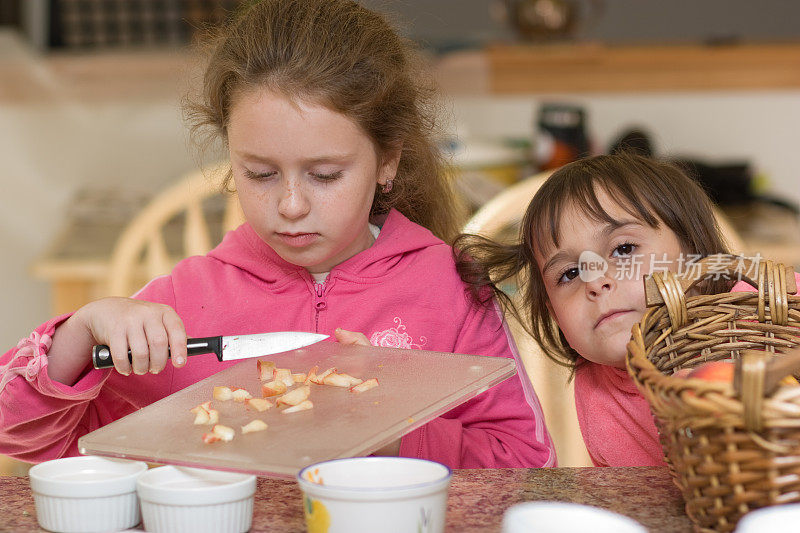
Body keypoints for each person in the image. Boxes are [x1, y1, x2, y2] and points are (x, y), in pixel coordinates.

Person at [0, 0, 554, 469]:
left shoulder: (451, 291)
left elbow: (527, 465)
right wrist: (79, 334)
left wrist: (390, 432)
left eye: (325, 175)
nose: (290, 205)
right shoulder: (185, 302)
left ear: (388, 159)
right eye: (260, 174)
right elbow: (20, 434)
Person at [455, 153, 733, 467]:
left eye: (624, 249)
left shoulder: (765, 316)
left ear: (694, 256)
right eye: (569, 274)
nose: (596, 281)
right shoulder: (597, 389)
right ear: (554, 314)